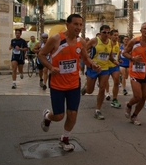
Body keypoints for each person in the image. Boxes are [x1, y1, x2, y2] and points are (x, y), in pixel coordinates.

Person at [38, 14, 101, 152]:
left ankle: (64, 139)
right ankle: (47, 116)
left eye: (80, 24)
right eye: (75, 24)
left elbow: (85, 59)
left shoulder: (81, 42)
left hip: (73, 84)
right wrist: (50, 67)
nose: (78, 27)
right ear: (67, 24)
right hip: (57, 84)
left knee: (72, 114)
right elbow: (41, 54)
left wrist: (93, 64)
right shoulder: (56, 39)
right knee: (59, 116)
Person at [123, 22, 146, 126]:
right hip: (135, 73)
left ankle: (134, 116)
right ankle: (129, 105)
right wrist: (133, 58)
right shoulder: (134, 41)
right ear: (141, 30)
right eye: (145, 29)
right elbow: (124, 53)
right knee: (138, 96)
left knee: (144, 97)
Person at [81, 25, 111, 120]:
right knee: (90, 91)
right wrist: (91, 61)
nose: (106, 34)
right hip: (93, 67)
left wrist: (115, 61)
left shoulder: (110, 42)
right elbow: (83, 50)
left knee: (102, 88)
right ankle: (86, 88)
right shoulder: (94, 41)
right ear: (100, 32)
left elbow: (109, 55)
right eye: (104, 32)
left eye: (108, 32)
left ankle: (97, 110)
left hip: (104, 68)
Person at [106, 29, 122, 108]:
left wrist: (119, 59)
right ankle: (107, 92)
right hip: (106, 66)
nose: (116, 37)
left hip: (115, 66)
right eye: (115, 35)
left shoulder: (118, 44)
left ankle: (114, 99)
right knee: (104, 82)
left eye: (117, 35)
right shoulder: (108, 43)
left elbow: (117, 54)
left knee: (116, 81)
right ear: (110, 36)